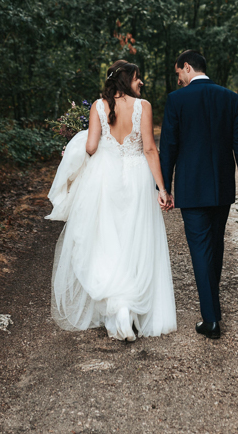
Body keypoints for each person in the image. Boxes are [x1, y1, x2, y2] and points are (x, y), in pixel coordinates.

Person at [47, 60, 176, 341]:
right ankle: (129, 308)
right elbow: (151, 150)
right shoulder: (144, 107)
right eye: (137, 77)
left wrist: (74, 148)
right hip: (138, 176)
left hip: (104, 177)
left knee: (107, 241)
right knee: (135, 241)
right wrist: (162, 189)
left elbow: (91, 147)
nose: (141, 82)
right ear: (126, 79)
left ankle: (118, 306)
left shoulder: (97, 106)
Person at [160, 50, 238, 339]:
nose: (178, 79)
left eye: (178, 74)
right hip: (222, 187)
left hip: (191, 189)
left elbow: (169, 148)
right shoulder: (230, 97)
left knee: (201, 249)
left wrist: (163, 187)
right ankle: (212, 307)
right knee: (215, 245)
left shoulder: (177, 100)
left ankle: (211, 319)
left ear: (187, 67)